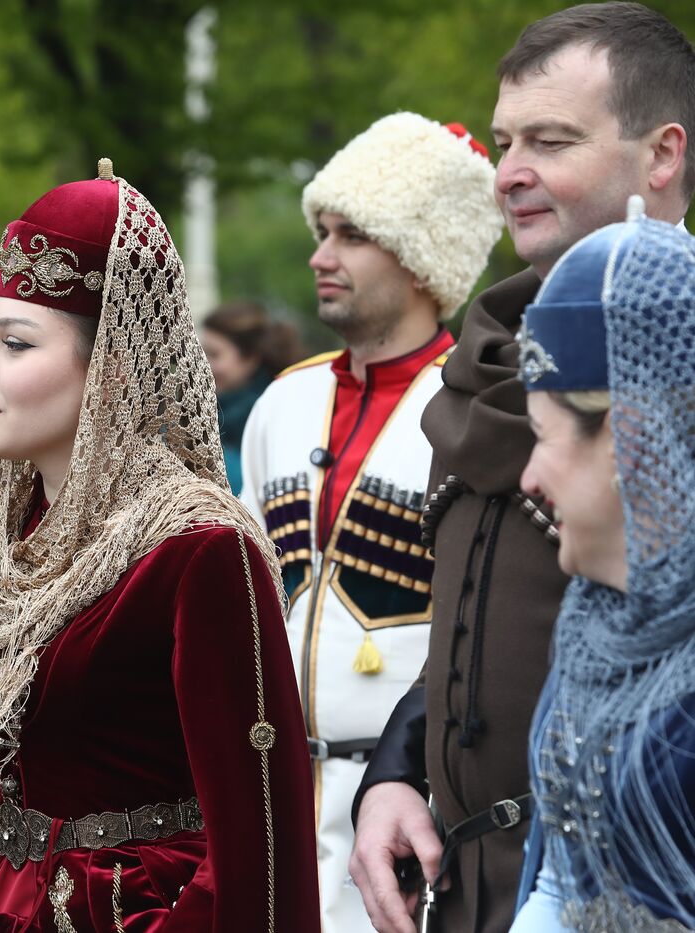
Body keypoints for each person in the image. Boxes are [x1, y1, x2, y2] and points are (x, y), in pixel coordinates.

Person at [348, 7, 695, 932]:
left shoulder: (685, 374)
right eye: (505, 141)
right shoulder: (485, 358)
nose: (508, 173)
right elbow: (469, 625)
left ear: (662, 156)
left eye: (550, 139)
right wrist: (395, 774)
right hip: (466, 888)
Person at [0, 159, 320, 933]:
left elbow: (257, 849)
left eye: (17, 343)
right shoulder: (18, 534)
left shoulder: (199, 548)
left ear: (109, 371)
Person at [238, 111, 502, 933]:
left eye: (353, 234)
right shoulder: (282, 401)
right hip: (272, 802)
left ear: (422, 258)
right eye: (322, 231)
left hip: (409, 813)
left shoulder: (476, 411)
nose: (321, 256)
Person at [509, 202, 695, 928]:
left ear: (631, 440)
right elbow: (560, 884)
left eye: (540, 435)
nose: (526, 476)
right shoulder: (594, 623)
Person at [198, 300, 304, 494]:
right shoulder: (205, 409)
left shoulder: (277, 412)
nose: (203, 365)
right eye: (200, 353)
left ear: (250, 359)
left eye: (214, 355)